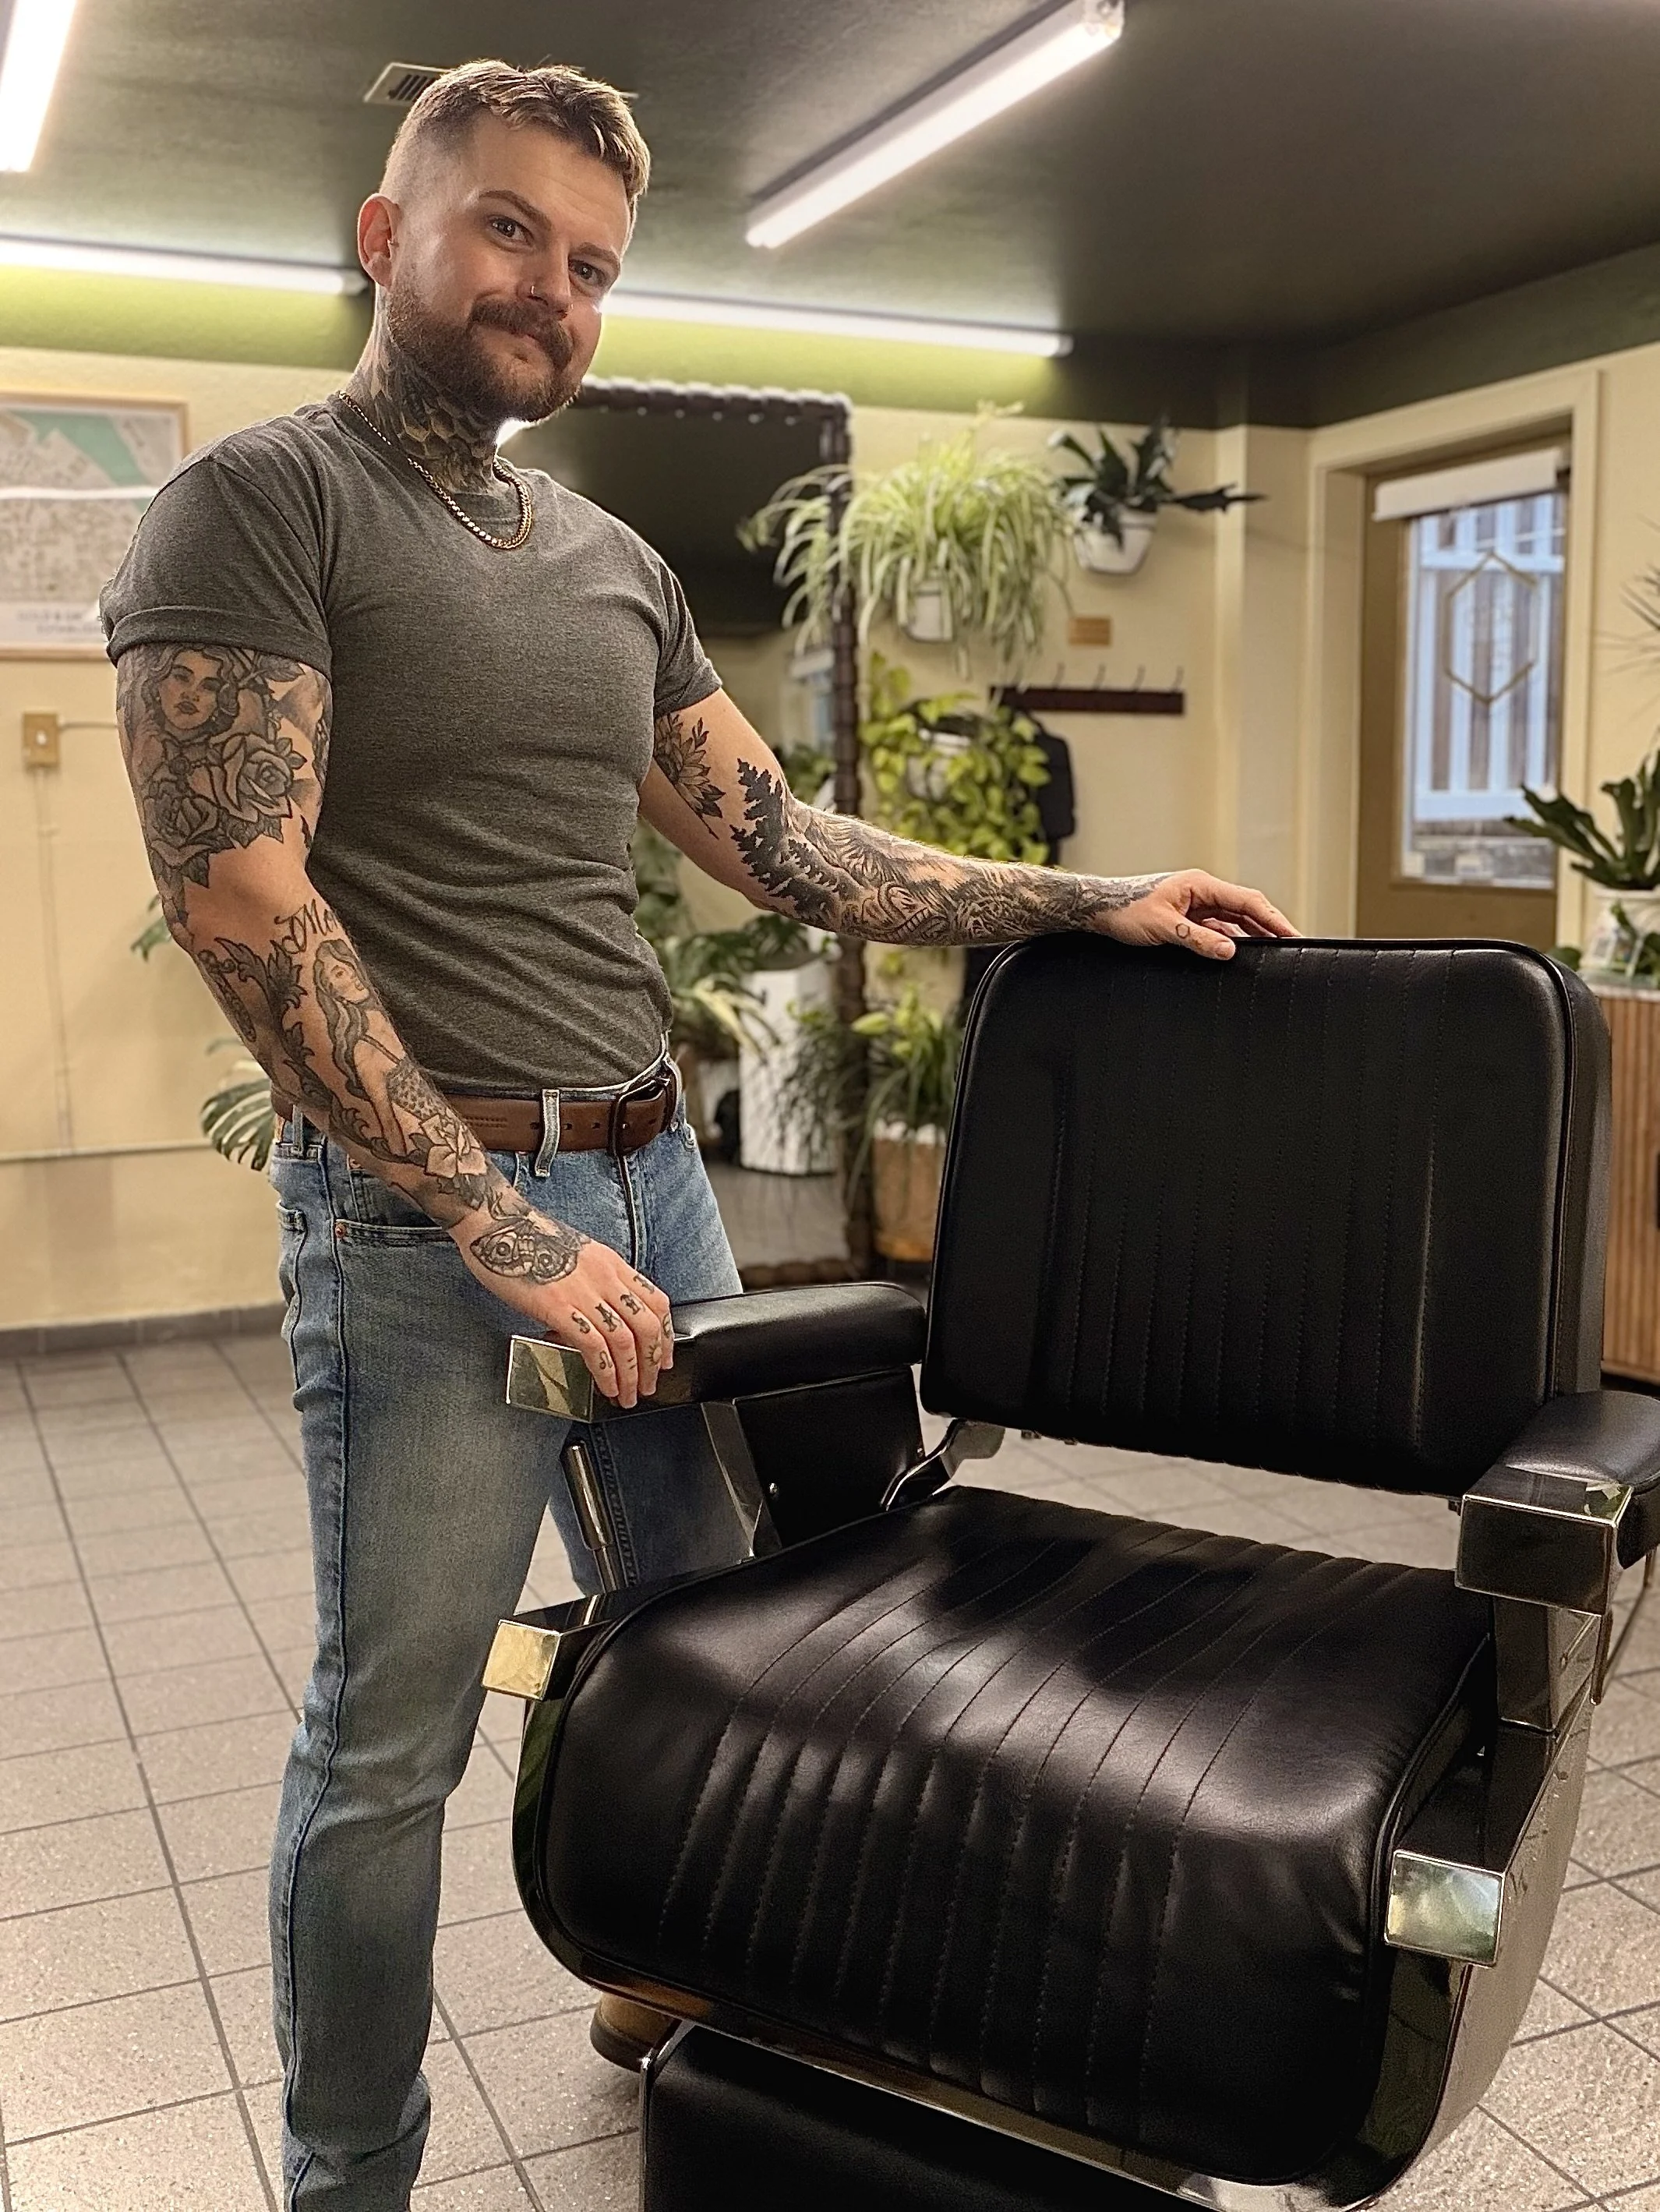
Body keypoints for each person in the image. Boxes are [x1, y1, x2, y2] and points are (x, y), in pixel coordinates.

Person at [103, 58, 1296, 2212]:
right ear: (384, 235)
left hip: (657, 1179)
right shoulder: (257, 508)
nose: (549, 293)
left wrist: (1086, 899)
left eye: (591, 266)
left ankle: (674, 1973)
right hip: (429, 1229)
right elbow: (244, 899)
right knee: (391, 1745)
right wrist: (497, 1224)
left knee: (715, 1643)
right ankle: (348, 2176)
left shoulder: (610, 563)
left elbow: (787, 844)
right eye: (506, 231)